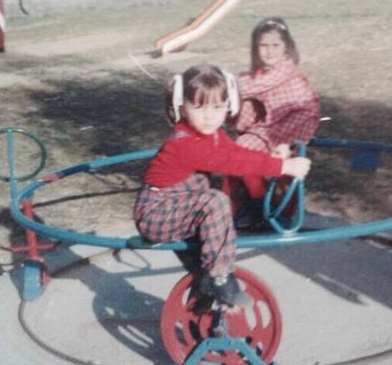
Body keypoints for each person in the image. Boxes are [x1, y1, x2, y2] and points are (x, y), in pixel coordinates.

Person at [133, 64, 312, 307]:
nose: (209, 116)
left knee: (214, 199)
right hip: (156, 213)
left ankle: (206, 286)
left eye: (217, 107)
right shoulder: (185, 143)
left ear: (229, 106)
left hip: (177, 207)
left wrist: (276, 159)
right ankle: (217, 278)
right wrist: (284, 169)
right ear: (182, 108)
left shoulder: (213, 134)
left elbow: (238, 152)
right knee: (215, 200)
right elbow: (233, 162)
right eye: (199, 107)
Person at [225, 17, 320, 221]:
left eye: (275, 45)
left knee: (245, 150)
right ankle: (237, 205)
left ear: (286, 47)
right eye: (263, 46)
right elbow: (246, 96)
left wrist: (227, 85)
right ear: (256, 48)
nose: (269, 51)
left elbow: (247, 87)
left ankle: (263, 200)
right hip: (267, 130)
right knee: (237, 153)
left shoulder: (285, 71)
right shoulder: (257, 75)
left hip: (292, 128)